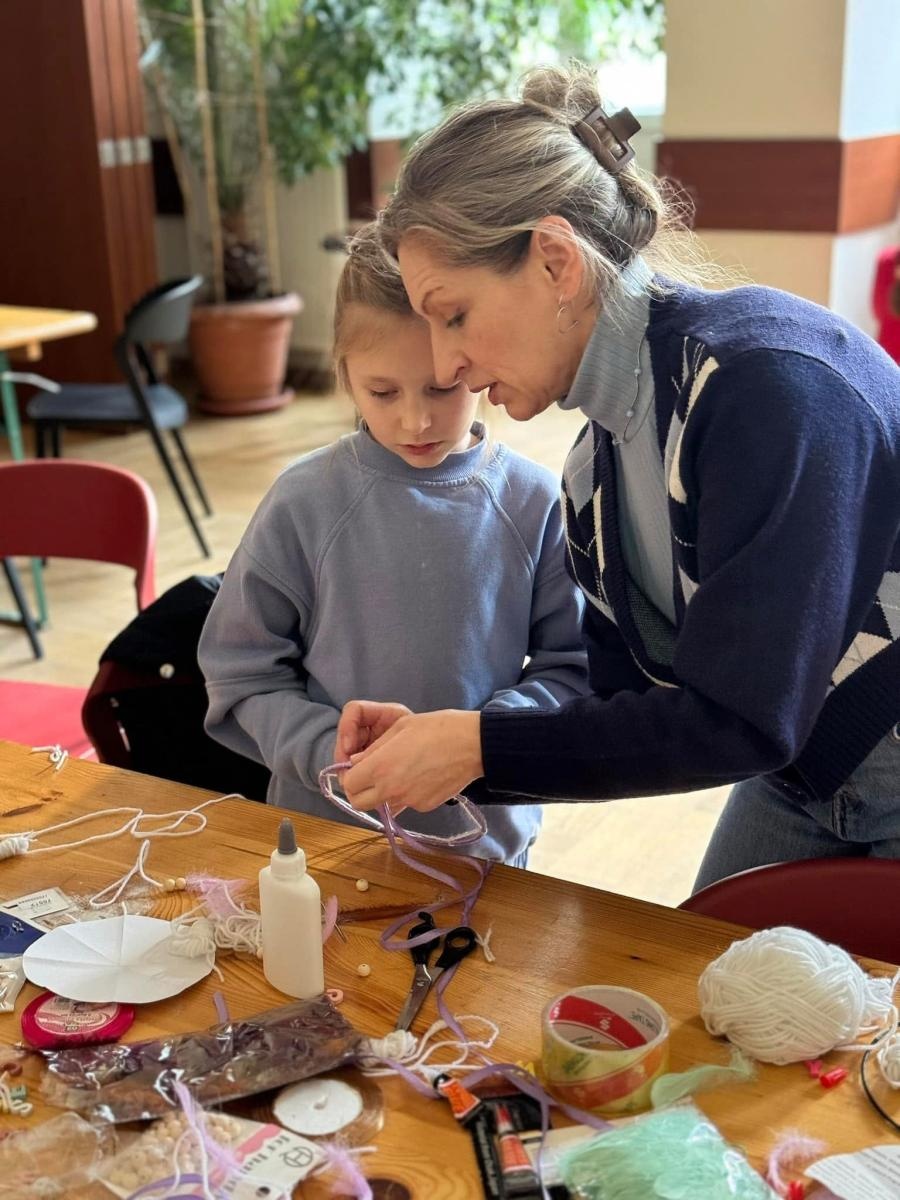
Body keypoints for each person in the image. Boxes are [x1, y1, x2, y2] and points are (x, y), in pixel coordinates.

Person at [335, 64, 900, 888]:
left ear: (555, 262)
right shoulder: (591, 472)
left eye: (453, 315)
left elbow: (740, 720)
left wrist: (477, 748)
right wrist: (449, 739)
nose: (447, 363)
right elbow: (620, 703)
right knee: (710, 967)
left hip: (848, 763)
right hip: (807, 776)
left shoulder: (767, 392)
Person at [197, 224, 588, 865]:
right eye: (382, 392)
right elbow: (242, 676)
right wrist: (331, 749)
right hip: (324, 842)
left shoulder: (535, 501)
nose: (415, 419)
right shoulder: (303, 501)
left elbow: (573, 669)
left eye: (442, 387)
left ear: (476, 362)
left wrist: (481, 741)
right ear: (345, 375)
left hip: (485, 851)